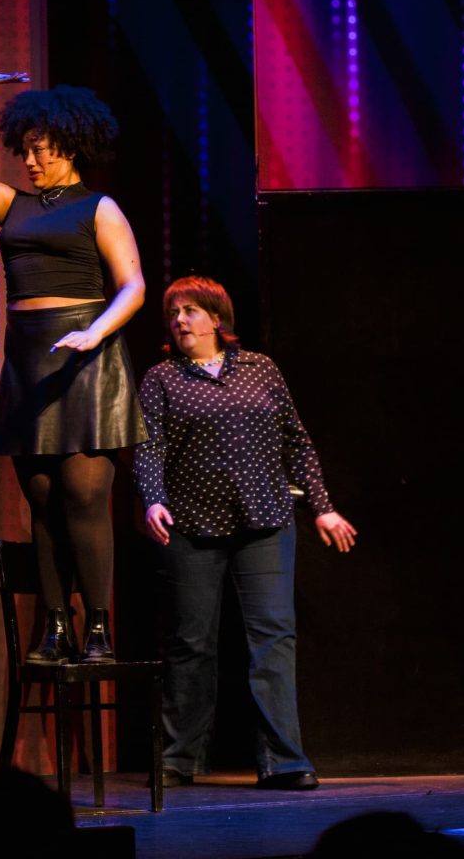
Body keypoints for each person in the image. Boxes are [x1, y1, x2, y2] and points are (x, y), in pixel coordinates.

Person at [0, 73, 146, 663]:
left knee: (84, 496)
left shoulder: (98, 207)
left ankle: (101, 628)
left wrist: (95, 332)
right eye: (24, 149)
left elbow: (132, 286)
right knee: (42, 498)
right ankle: (57, 626)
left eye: (41, 149)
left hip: (86, 355)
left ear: (71, 146)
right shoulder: (15, 206)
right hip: (31, 358)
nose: (29, 160)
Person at [133, 275, 356, 790]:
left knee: (273, 637)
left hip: (264, 521)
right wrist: (153, 501)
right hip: (191, 524)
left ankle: (284, 760)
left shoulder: (261, 368)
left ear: (217, 318)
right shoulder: (162, 378)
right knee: (191, 643)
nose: (181, 320)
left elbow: (296, 441)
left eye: (191, 310)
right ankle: (179, 757)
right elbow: (150, 448)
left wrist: (321, 508)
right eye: (174, 313)